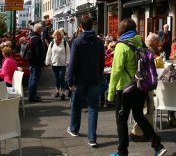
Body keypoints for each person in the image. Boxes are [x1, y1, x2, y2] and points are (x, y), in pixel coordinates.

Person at [108, 18, 167, 156]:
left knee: (121, 120)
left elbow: (116, 71)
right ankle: (158, 146)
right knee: (139, 116)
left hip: (125, 89)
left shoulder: (121, 45)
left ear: (122, 30)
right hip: (140, 87)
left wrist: (110, 93)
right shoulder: (141, 43)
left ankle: (122, 152)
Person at [66, 16, 105, 148]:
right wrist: (99, 77)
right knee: (93, 108)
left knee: (76, 105)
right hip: (94, 79)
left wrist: (69, 80)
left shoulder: (77, 42)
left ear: (81, 26)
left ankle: (74, 129)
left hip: (79, 80)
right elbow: (101, 63)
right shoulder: (99, 42)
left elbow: (72, 63)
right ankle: (92, 138)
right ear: (92, 25)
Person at [130, 33, 162, 142]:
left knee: (146, 109)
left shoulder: (142, 49)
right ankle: (139, 133)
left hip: (141, 83)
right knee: (146, 109)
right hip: (146, 84)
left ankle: (147, 132)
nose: (159, 44)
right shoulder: (149, 52)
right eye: (158, 42)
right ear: (154, 42)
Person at [46, 29, 70, 100]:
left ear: (61, 36)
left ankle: (63, 92)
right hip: (54, 63)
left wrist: (68, 61)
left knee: (61, 77)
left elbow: (68, 53)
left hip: (62, 63)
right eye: (56, 38)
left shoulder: (65, 43)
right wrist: (47, 61)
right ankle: (57, 91)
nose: (57, 40)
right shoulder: (52, 43)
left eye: (58, 38)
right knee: (57, 78)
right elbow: (49, 52)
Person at [28, 23, 45, 102]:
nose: (42, 30)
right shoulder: (37, 39)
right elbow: (39, 53)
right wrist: (42, 63)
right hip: (36, 63)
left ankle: (32, 94)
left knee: (31, 79)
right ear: (39, 30)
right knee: (35, 79)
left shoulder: (31, 37)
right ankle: (32, 96)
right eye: (41, 29)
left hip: (31, 61)